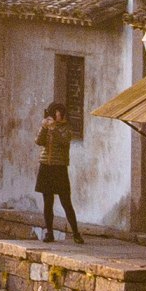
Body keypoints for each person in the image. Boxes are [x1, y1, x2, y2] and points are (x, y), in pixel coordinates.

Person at [35, 103, 82, 244]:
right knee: (47, 202)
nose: (55, 116)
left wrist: (54, 128)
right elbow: (39, 141)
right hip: (46, 166)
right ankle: (49, 232)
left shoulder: (66, 128)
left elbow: (64, 140)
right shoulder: (47, 126)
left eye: (56, 113)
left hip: (59, 168)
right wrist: (44, 128)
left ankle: (76, 232)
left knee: (66, 202)